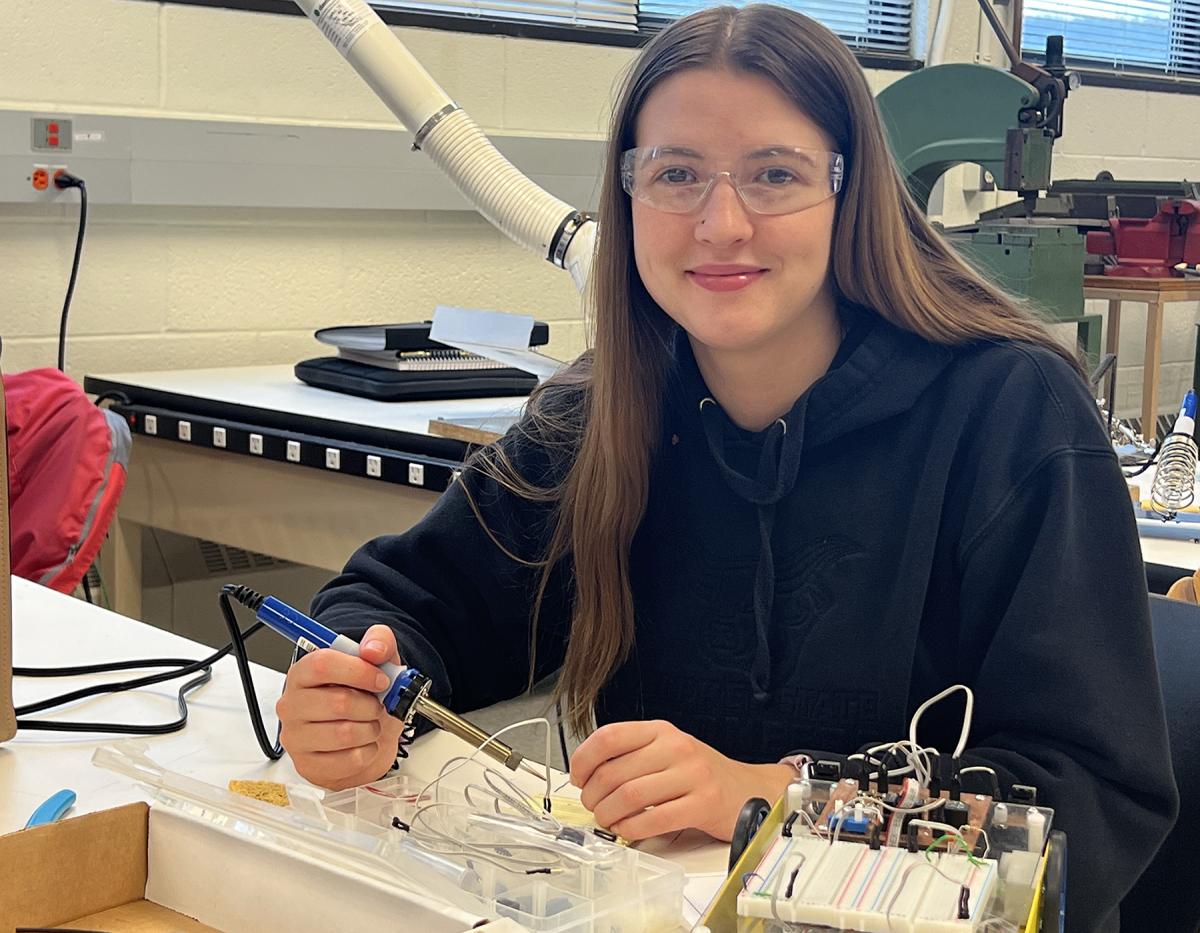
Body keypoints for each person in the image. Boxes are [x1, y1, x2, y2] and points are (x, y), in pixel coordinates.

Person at [275, 6, 1177, 929]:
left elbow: (1092, 796)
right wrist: (355, 688)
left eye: (774, 175)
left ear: (849, 190)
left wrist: (774, 800)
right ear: (626, 196)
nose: (721, 223)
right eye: (676, 175)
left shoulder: (1009, 411)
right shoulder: (602, 412)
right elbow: (401, 603)